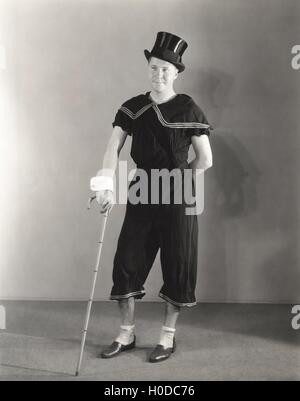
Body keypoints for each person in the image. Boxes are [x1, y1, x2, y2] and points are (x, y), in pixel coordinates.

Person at [91, 32, 213, 363]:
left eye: (166, 70)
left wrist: (181, 181)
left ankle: (166, 338)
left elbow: (205, 160)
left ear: (176, 73)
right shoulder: (133, 107)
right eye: (154, 67)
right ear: (149, 67)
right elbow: (112, 148)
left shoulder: (188, 108)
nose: (159, 75)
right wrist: (104, 184)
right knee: (127, 263)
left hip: (179, 199)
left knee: (178, 264)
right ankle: (125, 334)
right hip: (142, 192)